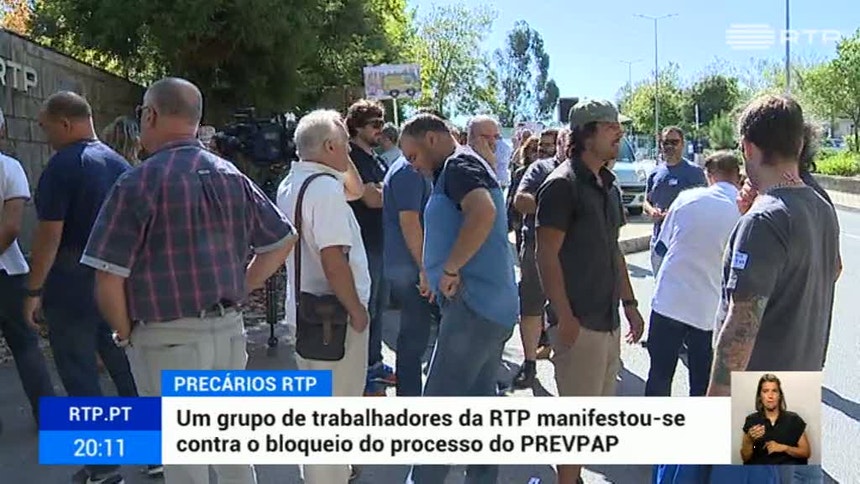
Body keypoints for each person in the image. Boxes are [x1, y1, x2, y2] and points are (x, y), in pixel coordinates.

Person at [81, 77, 297, 484]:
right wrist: (241, 285)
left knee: (185, 466)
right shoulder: (231, 176)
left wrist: (125, 333)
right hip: (228, 331)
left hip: (165, 338)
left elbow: (107, 277)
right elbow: (282, 240)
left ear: (150, 115)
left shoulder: (137, 182)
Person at [26, 92, 138, 484]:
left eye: (46, 128)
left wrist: (33, 290)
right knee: (125, 366)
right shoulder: (120, 165)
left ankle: (103, 467)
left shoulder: (62, 166)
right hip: (115, 281)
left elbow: (49, 236)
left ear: (65, 123)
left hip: (71, 284)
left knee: (79, 373)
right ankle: (154, 452)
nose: (45, 137)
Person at [400, 113, 518, 484]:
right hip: (488, 307)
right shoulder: (460, 167)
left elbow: (483, 211)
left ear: (432, 140)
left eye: (413, 156)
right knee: (479, 405)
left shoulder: (458, 166)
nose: (412, 165)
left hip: (474, 308)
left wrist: (450, 269)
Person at [535, 99, 645, 484]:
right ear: (586, 134)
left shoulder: (608, 185)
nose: (620, 133)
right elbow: (545, 253)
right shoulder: (562, 185)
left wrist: (629, 303)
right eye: (611, 127)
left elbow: (613, 250)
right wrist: (564, 316)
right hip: (578, 324)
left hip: (607, 320)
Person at [707, 95, 839, 396]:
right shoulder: (822, 208)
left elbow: (741, 328)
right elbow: (821, 275)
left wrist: (717, 402)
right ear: (800, 145)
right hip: (799, 386)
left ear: (747, 147)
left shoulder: (763, 221)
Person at [276, 109, 369, 484]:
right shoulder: (326, 190)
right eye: (345, 144)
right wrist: (356, 310)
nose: (350, 151)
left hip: (305, 313)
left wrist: (338, 151)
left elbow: (356, 190)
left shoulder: (293, 183)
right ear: (330, 146)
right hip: (335, 318)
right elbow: (334, 259)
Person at [645, 152, 742, 397]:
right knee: (701, 384)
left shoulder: (686, 198)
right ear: (737, 176)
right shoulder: (744, 211)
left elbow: (661, 247)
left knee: (659, 377)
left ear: (709, 175)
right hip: (708, 312)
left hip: (669, 301)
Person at [0, 106, 56, 434]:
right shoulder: (9, 168)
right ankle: (47, 416)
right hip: (8, 272)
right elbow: (11, 228)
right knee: (25, 346)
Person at [344, 99, 394, 396]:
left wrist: (383, 192)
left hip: (381, 242)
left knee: (379, 307)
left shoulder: (375, 158)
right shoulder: (352, 158)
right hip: (364, 244)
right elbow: (371, 198)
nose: (380, 129)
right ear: (357, 126)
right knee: (365, 308)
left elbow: (381, 194)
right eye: (374, 124)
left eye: (382, 123)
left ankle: (374, 362)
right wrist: (389, 193)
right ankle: (362, 372)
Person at [510, 127, 567, 389]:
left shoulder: (586, 172)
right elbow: (520, 201)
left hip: (573, 251)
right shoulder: (539, 169)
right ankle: (530, 363)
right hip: (536, 245)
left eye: (549, 145)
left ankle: (568, 360)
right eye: (541, 146)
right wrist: (556, 206)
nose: (543, 150)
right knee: (531, 305)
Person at [381, 128, 434, 397]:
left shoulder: (407, 169)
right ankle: (410, 396)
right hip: (409, 266)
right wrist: (425, 267)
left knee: (416, 333)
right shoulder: (409, 171)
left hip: (406, 263)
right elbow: (410, 221)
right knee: (414, 336)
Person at [643, 126, 707, 274]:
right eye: (665, 142)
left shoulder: (694, 172)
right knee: (660, 284)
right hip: (659, 241)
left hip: (684, 243)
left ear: (682, 144)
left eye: (674, 142)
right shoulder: (655, 173)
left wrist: (673, 214)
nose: (669, 146)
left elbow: (702, 204)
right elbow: (646, 202)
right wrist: (652, 211)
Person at [741, 374, 811, 465]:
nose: (770, 396)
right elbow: (745, 458)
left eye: (774, 391)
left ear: (780, 395)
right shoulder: (752, 420)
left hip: (788, 471)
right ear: (760, 396)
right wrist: (749, 440)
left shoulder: (794, 419)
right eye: (765, 391)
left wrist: (784, 448)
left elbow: (806, 452)